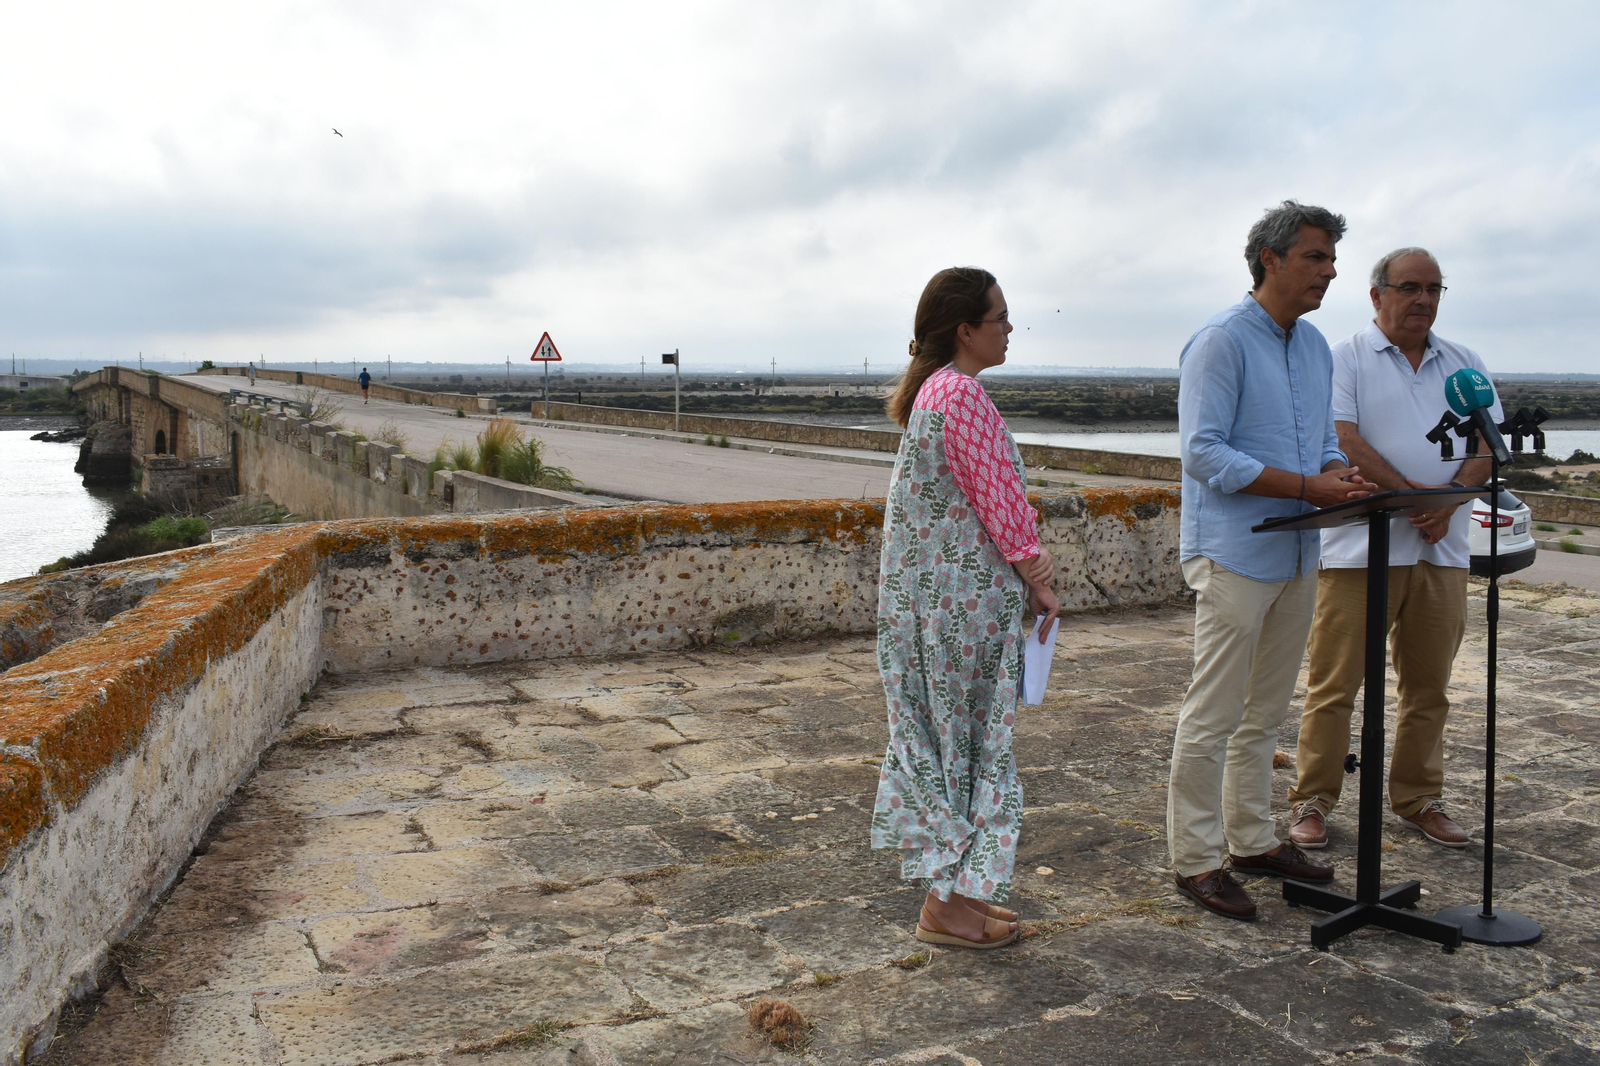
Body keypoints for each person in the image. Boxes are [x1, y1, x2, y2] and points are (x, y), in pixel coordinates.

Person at [1168, 201, 1372, 920]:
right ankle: (1195, 860)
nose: (1331, 270)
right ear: (1270, 259)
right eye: (1316, 256)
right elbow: (1202, 452)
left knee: (1265, 713)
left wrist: (1337, 477)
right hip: (1235, 553)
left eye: (1330, 257)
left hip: (1298, 549)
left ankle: (1252, 839)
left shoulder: (1315, 347)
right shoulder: (1221, 341)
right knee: (1215, 712)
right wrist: (1307, 485)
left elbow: (1318, 444)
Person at [872, 267, 1059, 949]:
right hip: (964, 610)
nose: (1010, 328)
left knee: (949, 749)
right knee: (969, 751)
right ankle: (945, 908)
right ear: (966, 329)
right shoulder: (964, 397)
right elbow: (1002, 505)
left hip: (930, 610)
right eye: (1002, 317)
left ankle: (959, 896)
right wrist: (1038, 577)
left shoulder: (933, 394)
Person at [1287, 249, 1497, 851]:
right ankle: (1312, 801)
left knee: (1429, 686)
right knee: (1335, 684)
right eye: (1409, 287)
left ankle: (1419, 797)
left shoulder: (1464, 363)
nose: (1423, 299)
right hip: (1360, 549)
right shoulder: (1345, 359)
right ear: (1377, 294)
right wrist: (1412, 500)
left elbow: (1486, 441)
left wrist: (1449, 500)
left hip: (1442, 550)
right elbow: (1343, 437)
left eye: (1434, 288)